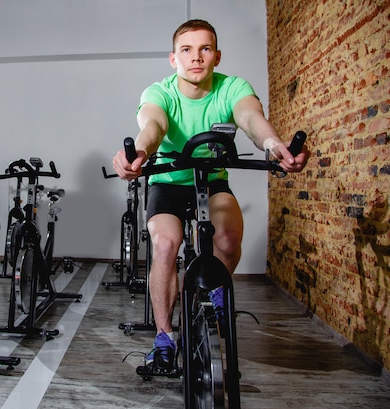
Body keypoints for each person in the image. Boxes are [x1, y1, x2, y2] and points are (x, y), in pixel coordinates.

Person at [112, 19, 309, 370]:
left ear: (217, 56)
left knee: (229, 239)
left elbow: (250, 118)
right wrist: (140, 152)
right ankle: (164, 337)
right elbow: (152, 125)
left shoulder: (232, 87)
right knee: (165, 244)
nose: (196, 57)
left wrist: (273, 143)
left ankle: (209, 293)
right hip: (168, 181)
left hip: (211, 180)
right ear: (173, 59)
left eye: (205, 49)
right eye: (186, 50)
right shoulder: (160, 92)